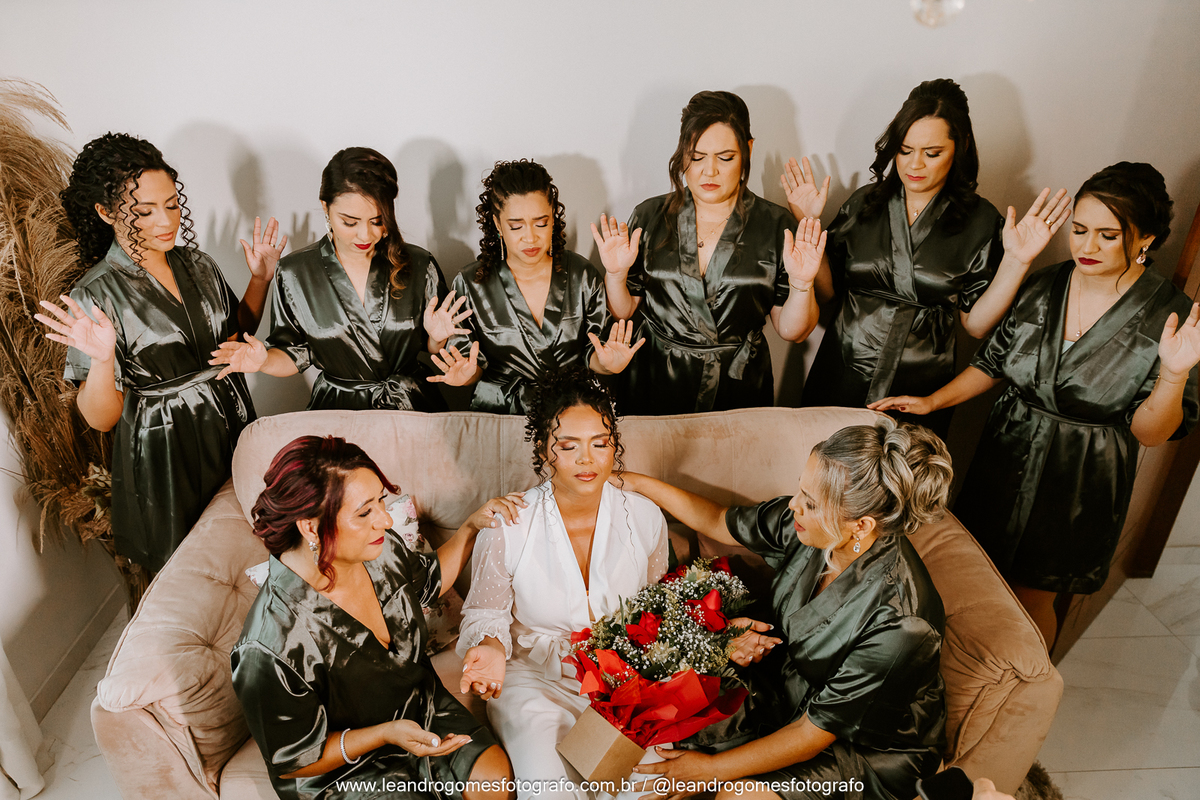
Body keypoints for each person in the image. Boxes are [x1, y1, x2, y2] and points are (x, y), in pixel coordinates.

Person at [872, 162, 1200, 648]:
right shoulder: (1047, 284)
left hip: (1081, 476)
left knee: (1033, 599)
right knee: (971, 575)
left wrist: (1174, 374)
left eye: (1108, 236)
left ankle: (1028, 686)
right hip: (1007, 451)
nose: (1087, 247)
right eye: (1080, 229)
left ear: (1145, 239)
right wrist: (932, 400)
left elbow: (1151, 433)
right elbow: (994, 362)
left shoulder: (1170, 316)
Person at [619, 419, 951, 800]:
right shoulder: (808, 524)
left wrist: (708, 771)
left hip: (866, 747)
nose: (793, 505)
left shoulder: (902, 624)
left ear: (860, 526)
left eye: (810, 503)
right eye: (800, 489)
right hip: (787, 690)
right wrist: (636, 483)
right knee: (661, 729)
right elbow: (719, 521)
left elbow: (813, 733)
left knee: (736, 796)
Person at [35, 132, 282, 573]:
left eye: (172, 204)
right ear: (106, 212)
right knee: (191, 568)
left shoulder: (198, 264)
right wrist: (103, 359)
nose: (166, 221)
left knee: (255, 545)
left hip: (232, 420)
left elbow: (233, 340)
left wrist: (260, 280)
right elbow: (101, 419)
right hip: (167, 442)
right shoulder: (96, 293)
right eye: (145, 211)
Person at [231, 435, 521, 800]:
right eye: (365, 512)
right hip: (342, 768)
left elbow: (429, 580)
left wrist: (470, 528)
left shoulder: (380, 550)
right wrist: (384, 734)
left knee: (495, 785)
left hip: (421, 711)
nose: (384, 520)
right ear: (310, 527)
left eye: (381, 501)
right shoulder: (267, 646)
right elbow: (295, 760)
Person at [794, 78, 1071, 438]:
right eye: (905, 150)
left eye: (932, 152)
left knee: (904, 470)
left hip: (920, 387)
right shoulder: (864, 204)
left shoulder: (981, 221)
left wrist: (1016, 262)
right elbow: (828, 292)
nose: (915, 165)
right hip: (841, 370)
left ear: (961, 146)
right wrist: (808, 223)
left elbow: (976, 326)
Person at [454, 366, 671, 799]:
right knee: (548, 789)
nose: (586, 460)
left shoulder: (646, 517)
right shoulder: (508, 523)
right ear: (543, 449)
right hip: (533, 681)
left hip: (619, 685)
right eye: (569, 446)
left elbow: (657, 612)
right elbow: (485, 614)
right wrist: (490, 649)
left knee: (645, 790)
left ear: (614, 446)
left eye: (600, 444)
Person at [593, 90, 825, 414]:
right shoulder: (649, 216)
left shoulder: (776, 225)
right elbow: (624, 311)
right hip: (654, 379)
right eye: (697, 156)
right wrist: (616, 275)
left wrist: (802, 284)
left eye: (725, 157)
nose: (709, 171)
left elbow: (792, 331)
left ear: (747, 150)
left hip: (738, 387)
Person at [210, 147, 453, 410]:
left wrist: (437, 340)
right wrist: (264, 362)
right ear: (325, 207)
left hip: (412, 407)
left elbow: (436, 348)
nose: (365, 235)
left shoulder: (419, 264)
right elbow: (294, 353)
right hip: (338, 410)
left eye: (377, 221)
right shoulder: (295, 272)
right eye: (350, 222)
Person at [428, 160, 643, 414]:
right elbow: (468, 364)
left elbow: (595, 354)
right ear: (497, 224)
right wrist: (466, 376)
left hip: (570, 414)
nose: (530, 238)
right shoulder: (470, 283)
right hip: (499, 414)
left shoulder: (581, 275)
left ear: (553, 218)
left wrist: (609, 365)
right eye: (516, 226)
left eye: (541, 223)